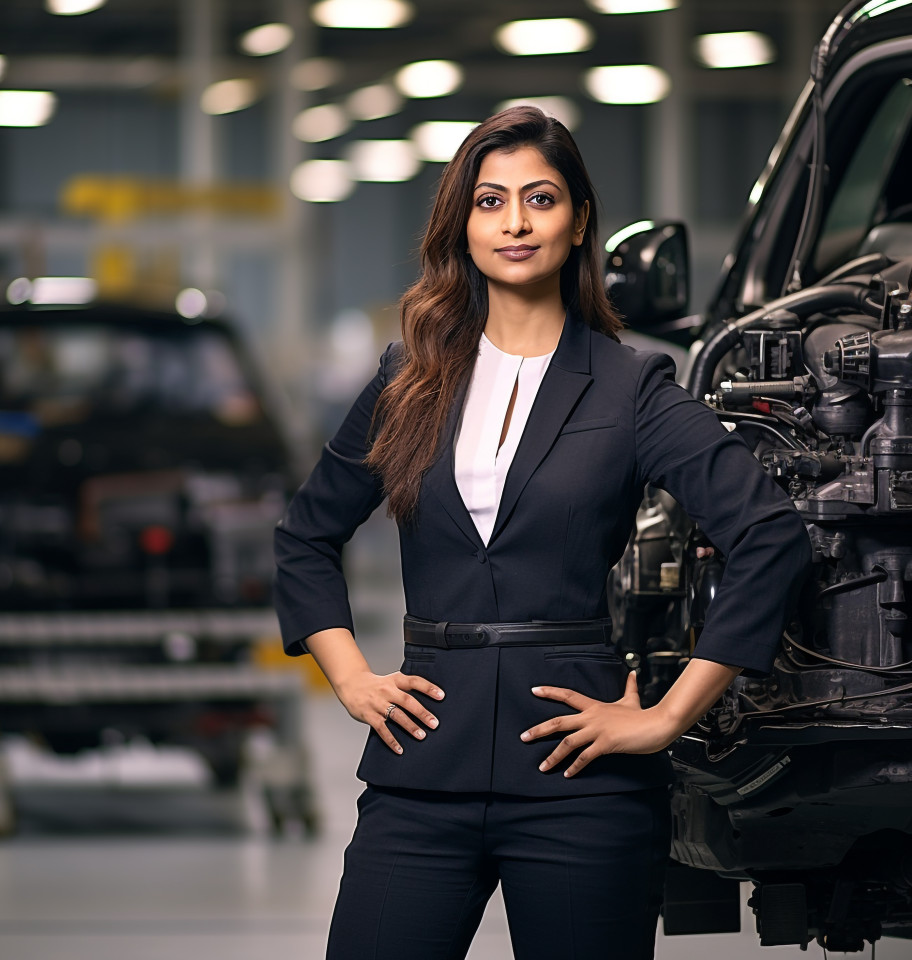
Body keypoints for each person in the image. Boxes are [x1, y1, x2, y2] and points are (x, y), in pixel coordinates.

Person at [273, 106, 812, 960]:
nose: (515, 223)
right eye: (490, 202)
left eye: (540, 199)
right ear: (464, 223)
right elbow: (304, 536)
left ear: (578, 220)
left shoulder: (631, 384)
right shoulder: (408, 378)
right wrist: (350, 678)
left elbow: (769, 537)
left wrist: (669, 717)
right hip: (422, 770)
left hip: (579, 780)